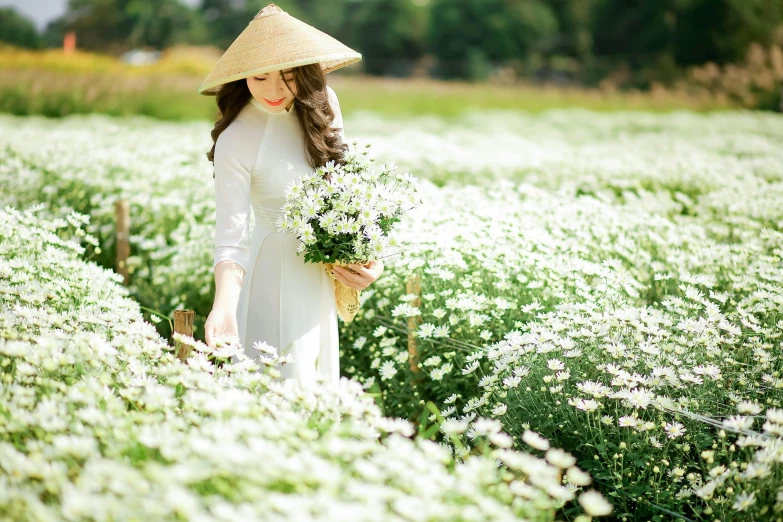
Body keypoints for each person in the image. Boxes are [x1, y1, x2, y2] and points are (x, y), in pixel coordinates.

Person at [197, 4, 384, 388]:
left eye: (288, 77)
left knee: (316, 389)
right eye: (260, 77)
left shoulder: (325, 105)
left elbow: (346, 199)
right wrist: (224, 307)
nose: (273, 90)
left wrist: (369, 263)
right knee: (277, 388)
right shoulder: (237, 139)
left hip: (317, 277)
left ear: (307, 71)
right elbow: (232, 239)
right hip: (272, 274)